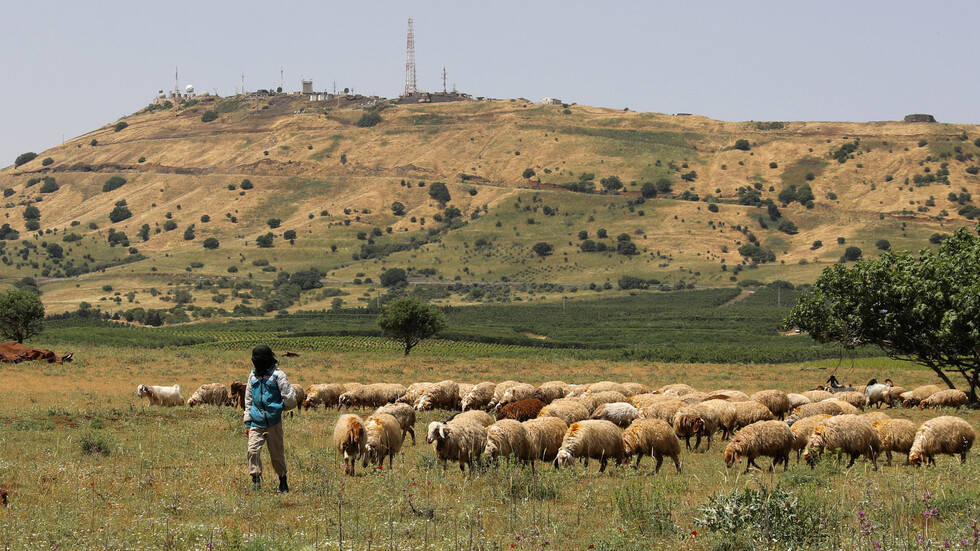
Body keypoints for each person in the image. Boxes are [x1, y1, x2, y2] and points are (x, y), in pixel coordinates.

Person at [244, 344, 296, 493]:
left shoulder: (278, 375)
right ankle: (256, 481)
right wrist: (247, 422)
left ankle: (283, 482)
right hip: (256, 421)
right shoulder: (252, 376)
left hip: (273, 422)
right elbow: (248, 399)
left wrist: (279, 408)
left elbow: (290, 398)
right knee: (252, 451)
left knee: (277, 454)